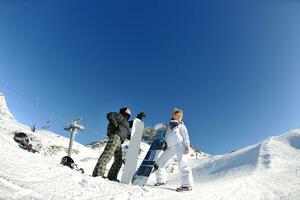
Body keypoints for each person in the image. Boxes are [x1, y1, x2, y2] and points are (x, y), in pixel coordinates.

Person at [92, 107, 145, 182]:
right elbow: (110, 115)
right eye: (129, 110)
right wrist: (115, 124)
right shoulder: (119, 116)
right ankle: (98, 174)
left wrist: (139, 118)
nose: (130, 112)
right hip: (115, 137)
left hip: (120, 141)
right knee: (107, 155)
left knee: (118, 161)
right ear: (125, 111)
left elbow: (132, 124)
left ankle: (112, 176)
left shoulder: (126, 122)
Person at [154, 108, 193, 192]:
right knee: (159, 163)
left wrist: (187, 146)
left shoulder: (181, 125)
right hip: (170, 147)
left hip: (180, 145)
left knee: (183, 163)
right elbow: (155, 127)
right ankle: (161, 181)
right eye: (176, 114)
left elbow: (186, 136)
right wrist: (162, 125)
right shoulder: (168, 126)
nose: (177, 116)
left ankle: (187, 185)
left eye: (179, 115)